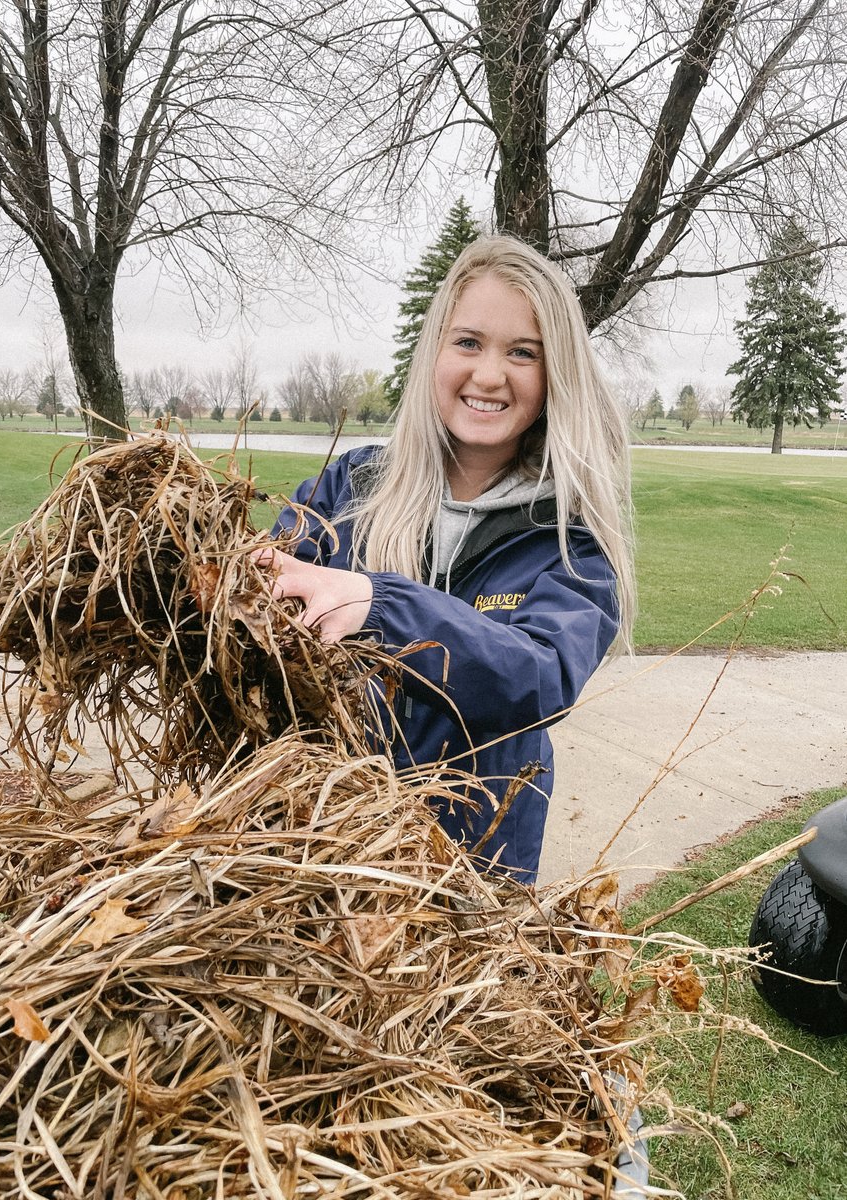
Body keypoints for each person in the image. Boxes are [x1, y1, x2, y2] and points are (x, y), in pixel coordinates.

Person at [260, 235, 634, 884]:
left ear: (556, 375)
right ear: (434, 350)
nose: (489, 375)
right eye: (468, 342)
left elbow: (537, 679)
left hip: (467, 888)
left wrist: (382, 607)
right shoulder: (348, 490)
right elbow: (262, 601)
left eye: (523, 352)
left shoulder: (571, 541)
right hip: (322, 855)